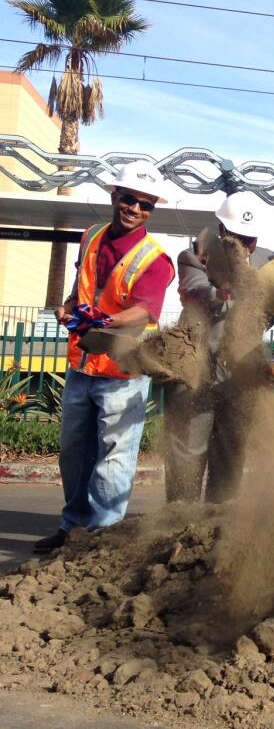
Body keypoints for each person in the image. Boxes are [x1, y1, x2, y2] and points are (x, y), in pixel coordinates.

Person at [36, 162, 175, 552]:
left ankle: (100, 541)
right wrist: (68, 306)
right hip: (83, 365)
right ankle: (72, 529)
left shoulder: (155, 258)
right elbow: (82, 286)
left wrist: (107, 321)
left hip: (123, 373)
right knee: (74, 453)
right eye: (128, 199)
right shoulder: (92, 236)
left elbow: (145, 311)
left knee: (114, 458)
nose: (134, 209)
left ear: (151, 211)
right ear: (114, 197)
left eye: (144, 205)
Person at [165, 191, 274, 503]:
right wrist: (224, 290)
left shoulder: (270, 263)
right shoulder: (195, 256)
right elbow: (196, 294)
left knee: (230, 461)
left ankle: (217, 530)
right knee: (186, 457)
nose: (242, 246)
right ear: (221, 231)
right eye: (234, 237)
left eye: (248, 239)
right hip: (196, 372)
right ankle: (177, 523)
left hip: (240, 378)